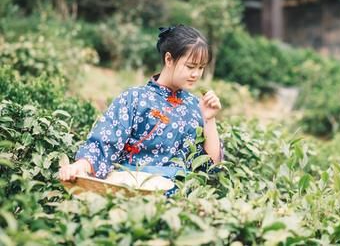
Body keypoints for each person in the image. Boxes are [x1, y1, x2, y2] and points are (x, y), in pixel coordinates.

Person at [59, 25, 223, 195]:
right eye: (190, 66)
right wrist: (79, 166)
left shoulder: (197, 106)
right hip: (132, 190)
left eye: (201, 68)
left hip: (179, 197)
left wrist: (209, 119)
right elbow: (106, 141)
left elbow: (210, 167)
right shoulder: (134, 98)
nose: (196, 74)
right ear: (169, 59)